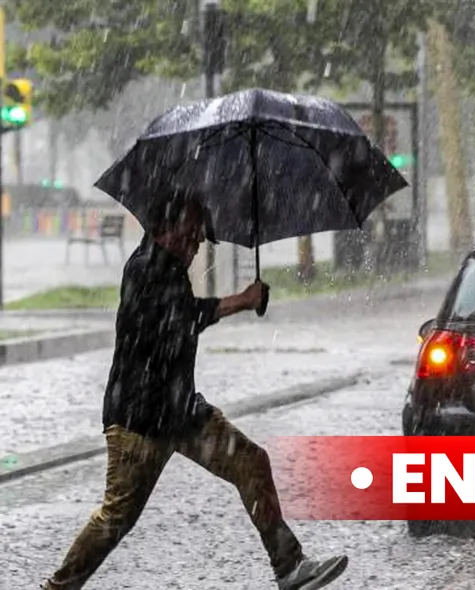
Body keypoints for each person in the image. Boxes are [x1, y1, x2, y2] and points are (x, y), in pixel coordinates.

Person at [43, 192, 348, 590]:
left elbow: (181, 319)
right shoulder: (144, 270)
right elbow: (180, 319)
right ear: (160, 230)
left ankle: (289, 567)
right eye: (187, 236)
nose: (193, 245)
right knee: (116, 519)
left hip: (182, 413)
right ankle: (57, 588)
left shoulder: (168, 268)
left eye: (198, 239)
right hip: (140, 421)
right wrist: (241, 300)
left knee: (252, 462)